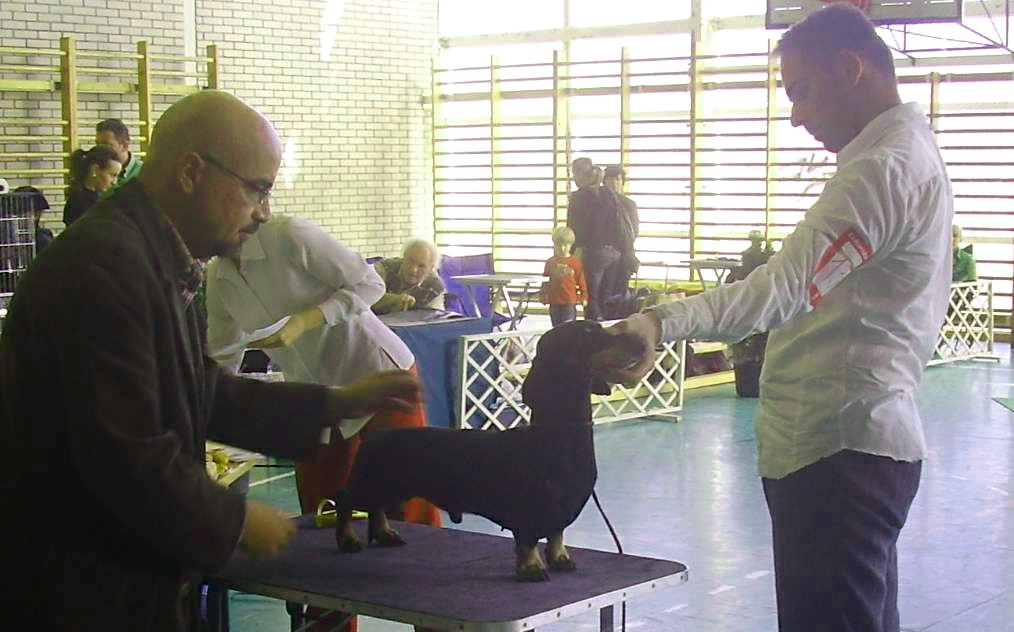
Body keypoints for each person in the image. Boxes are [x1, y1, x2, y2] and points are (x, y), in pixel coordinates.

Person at [0, 90, 421, 630]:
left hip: (108, 569)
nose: (263, 212)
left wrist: (332, 404)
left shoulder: (144, 255)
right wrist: (234, 519)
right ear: (191, 172)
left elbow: (201, 387)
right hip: (79, 584)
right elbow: (123, 452)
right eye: (256, 190)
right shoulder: (105, 267)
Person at [603, 6, 952, 632]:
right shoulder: (904, 153)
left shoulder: (882, 169)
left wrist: (660, 322)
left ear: (851, 68)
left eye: (802, 90)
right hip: (856, 451)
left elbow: (780, 290)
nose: (795, 114)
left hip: (838, 455)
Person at [206, 214, 442, 632]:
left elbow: (370, 284)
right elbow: (222, 357)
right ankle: (326, 624)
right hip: (314, 400)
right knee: (324, 520)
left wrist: (307, 319)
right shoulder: (218, 276)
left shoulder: (288, 235)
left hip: (379, 376)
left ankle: (441, 621)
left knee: (410, 508)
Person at [566, 158, 624, 320]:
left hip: (592, 252)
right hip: (614, 252)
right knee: (606, 299)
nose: (573, 178)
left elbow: (574, 227)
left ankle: (592, 331)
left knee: (590, 298)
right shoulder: (609, 194)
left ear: (580, 173)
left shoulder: (579, 197)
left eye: (574, 173)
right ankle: (606, 331)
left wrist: (571, 253)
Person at [372, 238, 445, 313]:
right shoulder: (383, 269)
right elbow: (366, 299)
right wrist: (394, 299)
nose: (413, 269)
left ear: (431, 269)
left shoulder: (435, 286)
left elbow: (436, 316)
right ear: (404, 257)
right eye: (410, 261)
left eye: (421, 266)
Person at [602, 165, 640, 303]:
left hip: (623, 254)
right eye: (610, 179)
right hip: (603, 254)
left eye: (618, 179)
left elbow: (634, 230)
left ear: (622, 182)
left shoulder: (629, 204)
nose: (614, 182)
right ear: (604, 181)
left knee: (619, 294)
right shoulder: (598, 203)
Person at [62, 144, 122, 226]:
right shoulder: (82, 203)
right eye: (112, 175)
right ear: (95, 170)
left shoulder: (88, 198)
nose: (114, 182)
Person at [540, 225, 587, 326]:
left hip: (569, 300)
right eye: (558, 245)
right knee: (556, 327)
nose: (562, 248)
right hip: (554, 301)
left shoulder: (575, 262)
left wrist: (584, 296)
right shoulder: (550, 262)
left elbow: (581, 280)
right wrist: (543, 295)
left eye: (565, 245)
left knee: (568, 327)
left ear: (571, 245)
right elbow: (545, 281)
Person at [96, 117, 144, 190]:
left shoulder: (144, 172)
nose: (100, 149)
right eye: (97, 144)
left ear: (124, 146)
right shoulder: (95, 171)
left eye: (106, 145)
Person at [12, 185, 53, 255]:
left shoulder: (42, 240)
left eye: (20, 213)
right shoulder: (10, 238)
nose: (14, 217)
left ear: (36, 214)